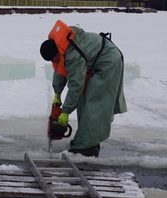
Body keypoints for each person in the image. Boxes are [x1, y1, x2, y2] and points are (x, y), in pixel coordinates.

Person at [40, 20, 126, 157]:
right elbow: (60, 69)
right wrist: (57, 93)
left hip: (108, 62)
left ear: (57, 52)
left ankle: (87, 147)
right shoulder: (61, 48)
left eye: (54, 59)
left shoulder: (72, 55)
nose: (54, 62)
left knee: (93, 103)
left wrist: (66, 112)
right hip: (96, 62)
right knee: (83, 100)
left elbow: (76, 86)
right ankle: (85, 139)